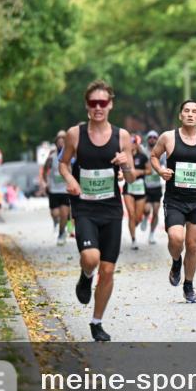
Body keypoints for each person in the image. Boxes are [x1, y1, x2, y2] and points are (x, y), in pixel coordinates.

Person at [59, 80, 136, 342]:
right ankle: (85, 275)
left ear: (110, 104)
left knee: (108, 270)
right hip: (84, 207)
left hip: (112, 209)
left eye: (103, 103)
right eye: (93, 103)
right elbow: (63, 164)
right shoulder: (75, 134)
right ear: (87, 106)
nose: (98, 108)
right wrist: (70, 180)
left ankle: (96, 322)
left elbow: (132, 178)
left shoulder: (122, 136)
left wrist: (126, 164)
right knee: (91, 258)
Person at [149, 99, 196, 303]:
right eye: (186, 111)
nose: (190, 114)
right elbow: (154, 156)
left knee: (193, 245)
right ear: (180, 115)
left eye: (194, 111)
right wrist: (161, 170)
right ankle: (175, 261)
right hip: (174, 199)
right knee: (176, 239)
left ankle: (188, 285)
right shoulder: (168, 137)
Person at [40, 130, 72, 245]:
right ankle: (56, 222)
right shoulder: (51, 158)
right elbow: (44, 171)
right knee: (55, 213)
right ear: (56, 143)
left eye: (63, 142)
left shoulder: (70, 156)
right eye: (59, 142)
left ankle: (61, 234)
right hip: (54, 189)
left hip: (65, 190)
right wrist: (45, 182)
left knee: (64, 214)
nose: (61, 144)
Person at [124, 133, 151, 251]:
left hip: (140, 188)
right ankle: (134, 240)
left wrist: (139, 172)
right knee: (131, 213)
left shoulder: (142, 156)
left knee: (138, 217)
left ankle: (136, 224)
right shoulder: (124, 156)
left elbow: (149, 171)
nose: (131, 144)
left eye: (133, 142)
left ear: (136, 144)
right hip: (128, 188)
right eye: (129, 142)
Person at [142, 130, 164, 244]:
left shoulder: (161, 153)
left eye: (155, 137)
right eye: (150, 137)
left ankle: (151, 234)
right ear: (147, 139)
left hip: (156, 186)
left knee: (155, 211)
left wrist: (162, 170)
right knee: (146, 209)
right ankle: (145, 217)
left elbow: (165, 165)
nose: (152, 139)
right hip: (145, 186)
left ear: (157, 139)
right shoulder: (143, 151)